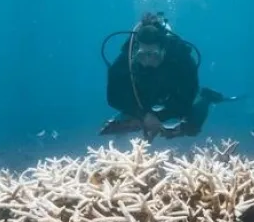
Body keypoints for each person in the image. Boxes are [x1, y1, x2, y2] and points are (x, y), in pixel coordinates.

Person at [99, 12, 236, 140]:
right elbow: (113, 97)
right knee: (117, 127)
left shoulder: (181, 59)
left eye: (153, 55)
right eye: (142, 55)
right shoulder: (126, 58)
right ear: (136, 49)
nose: (147, 61)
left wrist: (159, 117)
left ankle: (206, 96)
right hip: (144, 98)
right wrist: (144, 116)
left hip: (174, 96)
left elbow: (186, 98)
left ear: (163, 49)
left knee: (191, 129)